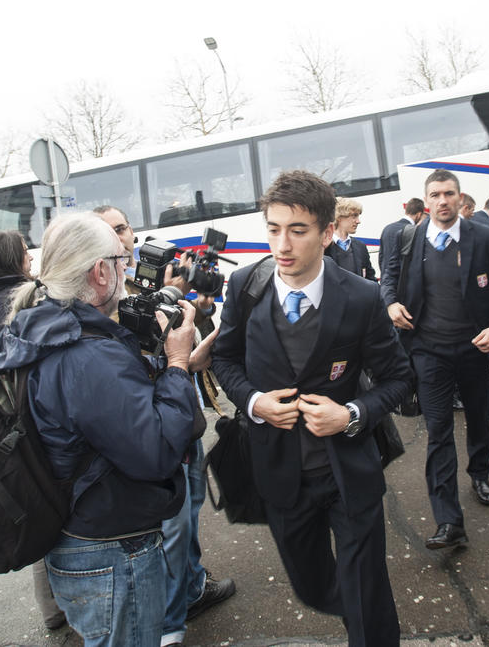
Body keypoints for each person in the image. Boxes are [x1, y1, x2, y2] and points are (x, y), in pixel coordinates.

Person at [0, 212, 204, 647]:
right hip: (109, 549)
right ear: (100, 272)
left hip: (75, 537)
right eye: (122, 260)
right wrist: (177, 363)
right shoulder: (86, 354)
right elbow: (155, 450)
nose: (128, 269)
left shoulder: (42, 327)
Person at [212, 170, 411, 646]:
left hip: (348, 473)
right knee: (313, 585)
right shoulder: (245, 286)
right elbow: (225, 358)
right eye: (273, 228)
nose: (282, 244)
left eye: (297, 230)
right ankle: (359, 609)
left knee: (366, 593)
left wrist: (353, 414)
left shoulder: (362, 298)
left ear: (326, 233)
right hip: (281, 474)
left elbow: (399, 378)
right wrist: (255, 402)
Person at [93, 208, 235, 645]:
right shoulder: (110, 293)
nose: (120, 238)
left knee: (189, 513)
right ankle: (171, 625)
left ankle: (192, 589)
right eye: (110, 232)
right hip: (155, 421)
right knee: (171, 524)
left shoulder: (156, 279)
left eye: (123, 228)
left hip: (184, 410)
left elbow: (186, 338)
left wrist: (197, 310)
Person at [380, 168, 489, 550]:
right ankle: (448, 520)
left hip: (476, 347)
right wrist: (390, 303)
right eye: (436, 195)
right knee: (438, 431)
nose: (443, 200)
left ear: (460, 199)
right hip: (428, 350)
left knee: (478, 418)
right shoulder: (408, 238)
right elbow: (387, 279)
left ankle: (480, 473)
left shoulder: (484, 237)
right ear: (427, 202)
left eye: (449, 194)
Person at [0, 231, 65, 630]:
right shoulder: (25, 296)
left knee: (35, 509)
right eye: (24, 253)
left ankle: (50, 609)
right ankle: (65, 602)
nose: (29, 258)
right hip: (35, 414)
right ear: (12, 258)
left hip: (5, 422)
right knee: (56, 510)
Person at [324, 197, 376, 281]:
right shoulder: (323, 246)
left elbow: (371, 279)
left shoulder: (360, 246)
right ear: (339, 217)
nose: (358, 221)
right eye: (354, 216)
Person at [378, 197, 425, 276]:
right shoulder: (414, 231)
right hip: (404, 281)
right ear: (419, 214)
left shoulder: (387, 228)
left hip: (387, 280)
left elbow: (381, 257)